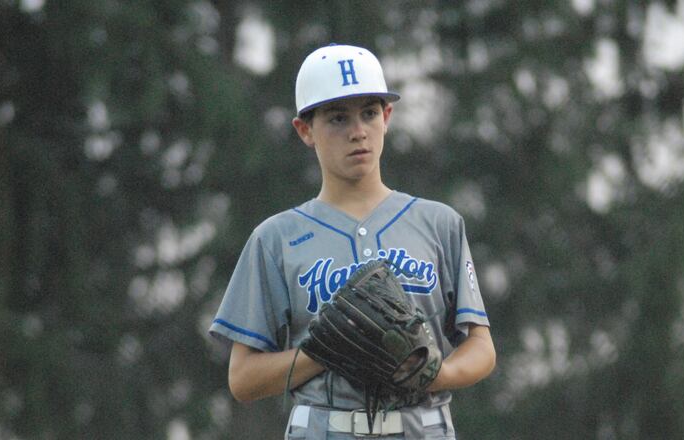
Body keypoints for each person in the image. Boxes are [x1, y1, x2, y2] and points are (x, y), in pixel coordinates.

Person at [209, 43, 495, 439]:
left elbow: (481, 347)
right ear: (305, 129)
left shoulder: (439, 223)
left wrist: (432, 372)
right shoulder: (275, 238)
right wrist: (320, 353)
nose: (358, 131)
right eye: (337, 118)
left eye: (369, 113)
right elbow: (243, 379)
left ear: (387, 117)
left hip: (423, 427)